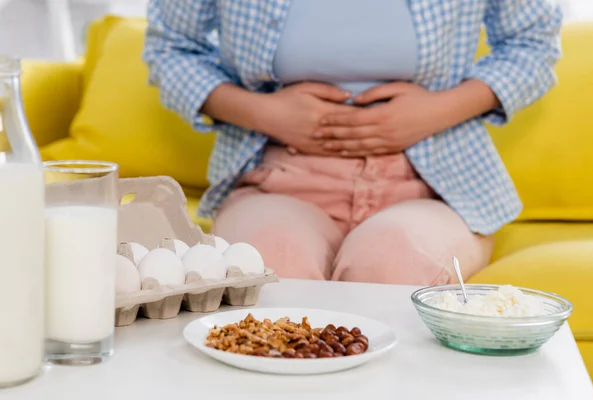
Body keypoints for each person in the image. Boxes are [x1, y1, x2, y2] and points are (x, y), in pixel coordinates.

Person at [143, 0, 563, 285]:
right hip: (278, 179)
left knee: (392, 264)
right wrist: (264, 113)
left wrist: (436, 111)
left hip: (433, 184)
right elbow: (171, 48)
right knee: (273, 272)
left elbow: (533, 43)